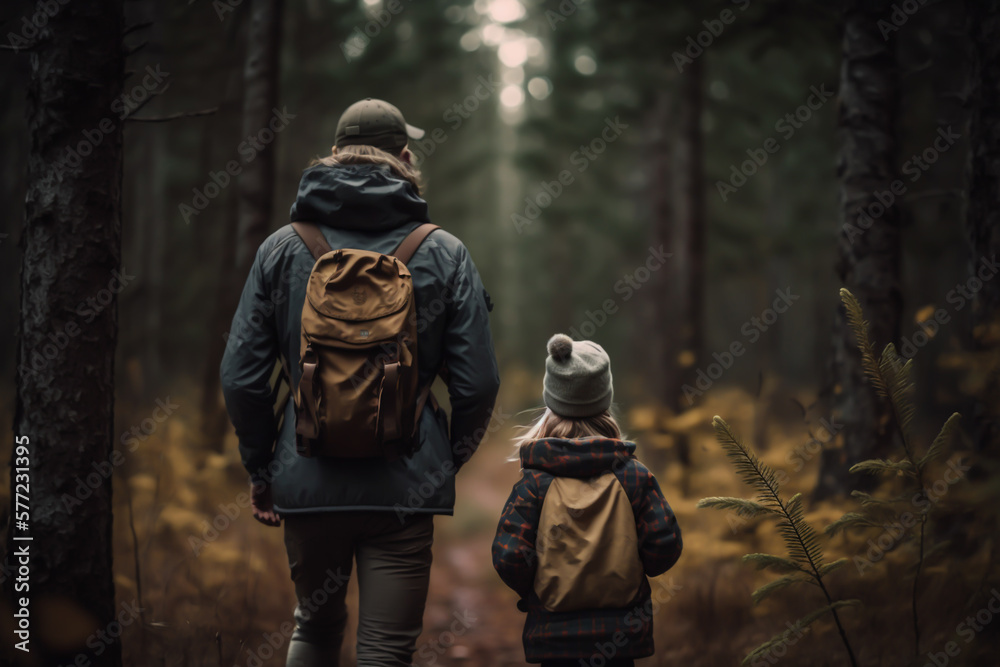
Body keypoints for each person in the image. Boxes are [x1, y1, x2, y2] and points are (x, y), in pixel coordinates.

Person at [220, 98, 500, 666]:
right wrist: (445, 461)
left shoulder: (282, 248)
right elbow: (477, 384)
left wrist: (261, 467)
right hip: (404, 485)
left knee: (315, 629)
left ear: (335, 156)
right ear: (404, 157)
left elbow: (242, 378)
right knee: (386, 648)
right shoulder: (444, 252)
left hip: (306, 478)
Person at [492, 334, 682, 667]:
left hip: (554, 639)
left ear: (552, 403)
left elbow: (509, 556)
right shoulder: (634, 477)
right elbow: (664, 547)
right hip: (620, 639)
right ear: (605, 402)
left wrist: (535, 589)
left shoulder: (535, 483)